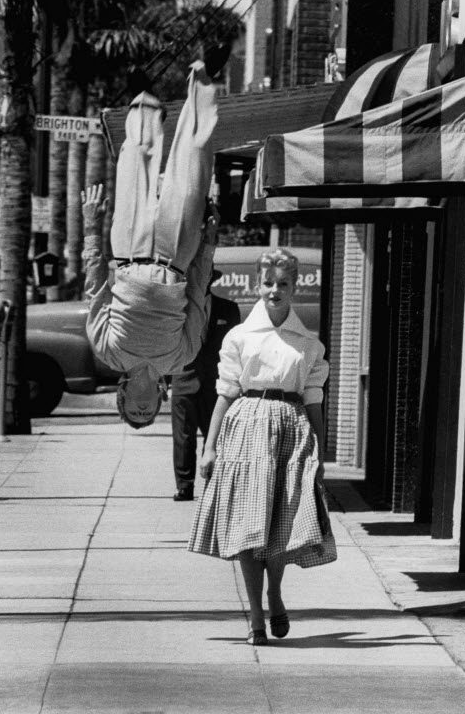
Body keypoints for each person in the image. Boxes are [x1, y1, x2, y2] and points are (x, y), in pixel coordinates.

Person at [188, 248, 337, 645]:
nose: (275, 291)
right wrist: (209, 447)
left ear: (295, 286)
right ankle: (256, 616)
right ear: (258, 284)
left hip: (291, 432)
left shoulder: (309, 345)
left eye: (283, 284)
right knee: (247, 527)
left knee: (280, 525)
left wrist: (320, 453)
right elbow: (225, 393)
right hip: (245, 430)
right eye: (268, 283)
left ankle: (274, 593)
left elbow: (314, 402)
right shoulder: (239, 337)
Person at [82, 49, 229, 429]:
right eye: (148, 414)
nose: (143, 409)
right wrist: (208, 243)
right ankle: (204, 77)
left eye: (135, 411)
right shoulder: (180, 359)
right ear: (160, 402)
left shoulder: (107, 353)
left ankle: (143, 100)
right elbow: (198, 296)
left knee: (137, 158)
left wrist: (89, 228)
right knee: (194, 159)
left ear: (123, 398)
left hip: (128, 250)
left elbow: (95, 289)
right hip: (175, 256)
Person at [171, 280, 240, 501]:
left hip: (216, 383)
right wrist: (160, 377)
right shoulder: (177, 308)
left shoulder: (228, 309)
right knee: (183, 435)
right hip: (183, 378)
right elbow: (167, 344)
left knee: (215, 434)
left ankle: (212, 482)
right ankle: (184, 485)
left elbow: (237, 348)